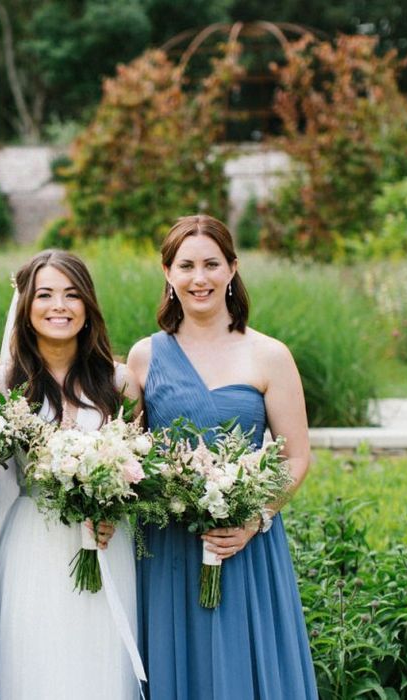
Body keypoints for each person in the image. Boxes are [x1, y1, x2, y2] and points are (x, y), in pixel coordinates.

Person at [128, 215, 317, 700]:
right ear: (167, 272)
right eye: (186, 265)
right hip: (168, 546)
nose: (200, 278)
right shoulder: (144, 357)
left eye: (212, 264)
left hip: (244, 546)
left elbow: (296, 458)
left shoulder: (269, 355)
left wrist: (254, 519)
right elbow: (131, 454)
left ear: (232, 269)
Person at [0, 250, 142, 700]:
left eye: (72, 294)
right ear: (26, 306)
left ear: (88, 306)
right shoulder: (1, 385)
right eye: (45, 294)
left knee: (100, 664)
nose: (59, 306)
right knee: (33, 662)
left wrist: (115, 507)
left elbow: (139, 467)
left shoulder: (119, 381)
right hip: (34, 542)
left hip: (106, 543)